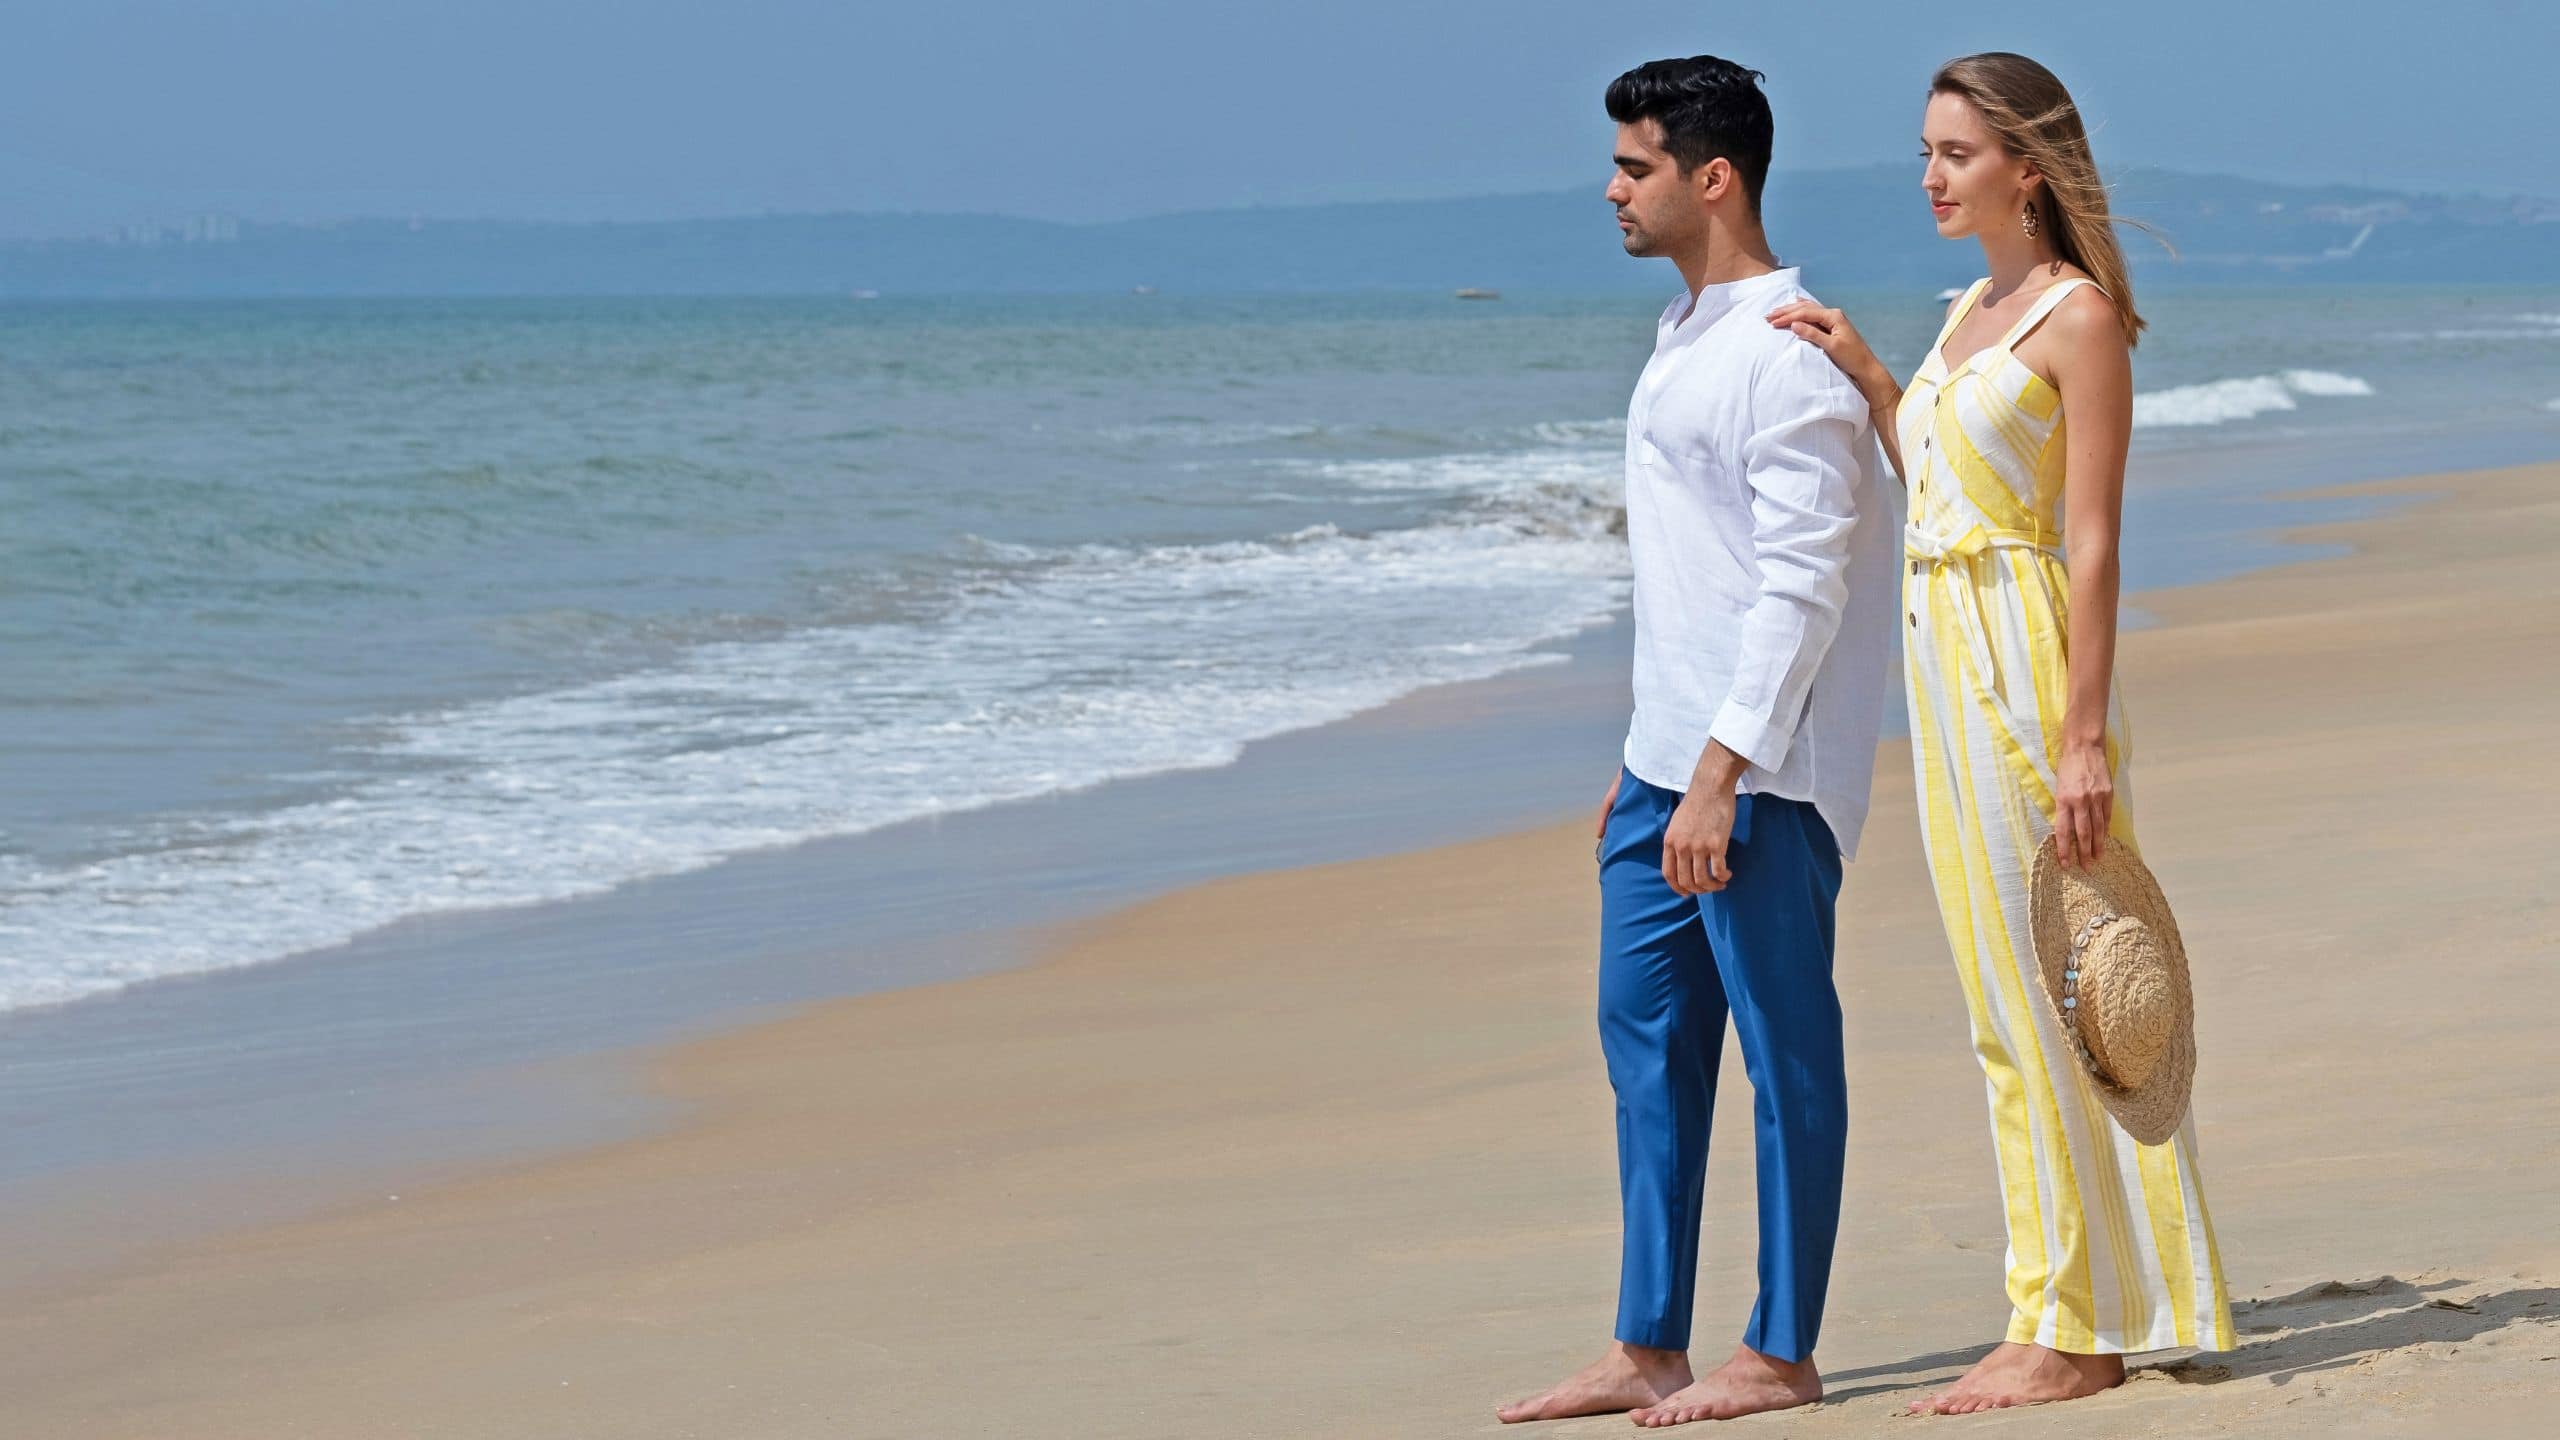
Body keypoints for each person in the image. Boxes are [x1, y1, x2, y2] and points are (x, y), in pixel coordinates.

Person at [1764, 51, 2234, 1414]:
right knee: (1999, 1004)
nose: (1930, 175)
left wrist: (2083, 739)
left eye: (1956, 153)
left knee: (2061, 990)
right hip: (1943, 661)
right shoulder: (1972, 308)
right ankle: (2061, 1304)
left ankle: (2077, 1328)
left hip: (2027, 670)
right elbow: (1946, 489)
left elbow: (2092, 544)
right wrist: (1872, 379)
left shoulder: (2078, 319)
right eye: (1924, 151)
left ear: (2026, 167)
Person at [1498, 55, 1898, 1428]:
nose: (1612, 189)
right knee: (1648, 1054)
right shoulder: (1683, 334)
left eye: (1636, 166)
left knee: (1785, 1059)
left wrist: (1721, 771)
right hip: (1663, 769)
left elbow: (1802, 589)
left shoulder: (1787, 354)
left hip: (1762, 779)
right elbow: (1689, 582)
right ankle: (1648, 1342)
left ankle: (1781, 1352)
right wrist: (1649, 757)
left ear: (1712, 178)